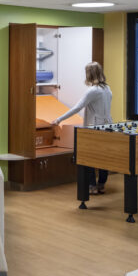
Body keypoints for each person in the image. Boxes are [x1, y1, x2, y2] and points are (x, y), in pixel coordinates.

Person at [51, 61, 112, 195]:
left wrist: (58, 119)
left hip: (94, 129)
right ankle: (101, 185)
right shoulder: (107, 89)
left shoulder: (92, 91)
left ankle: (92, 186)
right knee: (104, 158)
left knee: (87, 157)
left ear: (89, 74)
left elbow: (77, 107)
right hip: (107, 127)